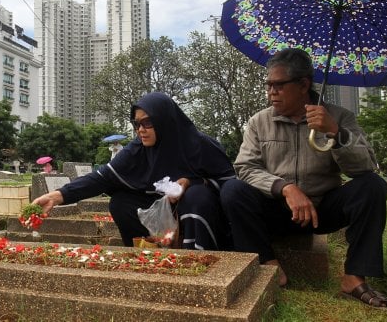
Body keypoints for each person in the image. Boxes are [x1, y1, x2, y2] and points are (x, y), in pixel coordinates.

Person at [220, 48, 387, 309]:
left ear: (303, 84)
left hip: (322, 210)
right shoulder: (260, 121)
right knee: (232, 190)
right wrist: (284, 188)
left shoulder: (339, 117)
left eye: (278, 85)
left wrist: (336, 133)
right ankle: (268, 265)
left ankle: (354, 276)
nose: (271, 92)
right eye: (268, 85)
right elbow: (245, 167)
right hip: (276, 209)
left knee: (372, 186)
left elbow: (365, 167)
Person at [32, 92, 236, 249]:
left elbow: (228, 184)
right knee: (121, 203)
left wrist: (192, 183)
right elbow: (102, 177)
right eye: (136, 124)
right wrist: (58, 196)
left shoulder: (199, 145)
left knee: (196, 196)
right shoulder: (137, 149)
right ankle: (145, 252)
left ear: (165, 120)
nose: (140, 130)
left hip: (196, 210)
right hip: (162, 212)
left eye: (147, 122)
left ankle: (199, 254)